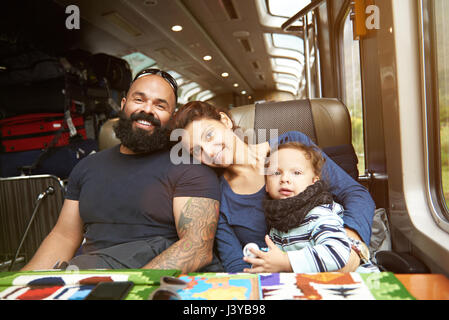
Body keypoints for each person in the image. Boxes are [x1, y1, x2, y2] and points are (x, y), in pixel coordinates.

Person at [21, 69, 222, 273]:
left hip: (154, 280)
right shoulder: (87, 167)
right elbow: (63, 237)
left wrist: (128, 287)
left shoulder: (189, 167)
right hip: (92, 274)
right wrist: (18, 287)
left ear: (172, 117)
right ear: (124, 104)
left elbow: (196, 248)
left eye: (160, 105)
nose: (148, 110)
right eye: (139, 99)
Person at [172, 101, 376, 273]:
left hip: (339, 256)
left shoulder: (291, 145)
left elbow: (355, 194)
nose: (208, 150)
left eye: (209, 135)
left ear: (225, 121)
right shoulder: (218, 198)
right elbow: (236, 265)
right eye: (197, 150)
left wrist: (351, 248)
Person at [244, 142, 378, 273]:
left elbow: (337, 253)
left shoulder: (319, 213)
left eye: (296, 172)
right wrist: (262, 259)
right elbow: (279, 259)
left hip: (358, 283)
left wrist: (285, 261)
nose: (285, 178)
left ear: (314, 181)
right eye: (276, 173)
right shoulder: (277, 220)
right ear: (266, 185)